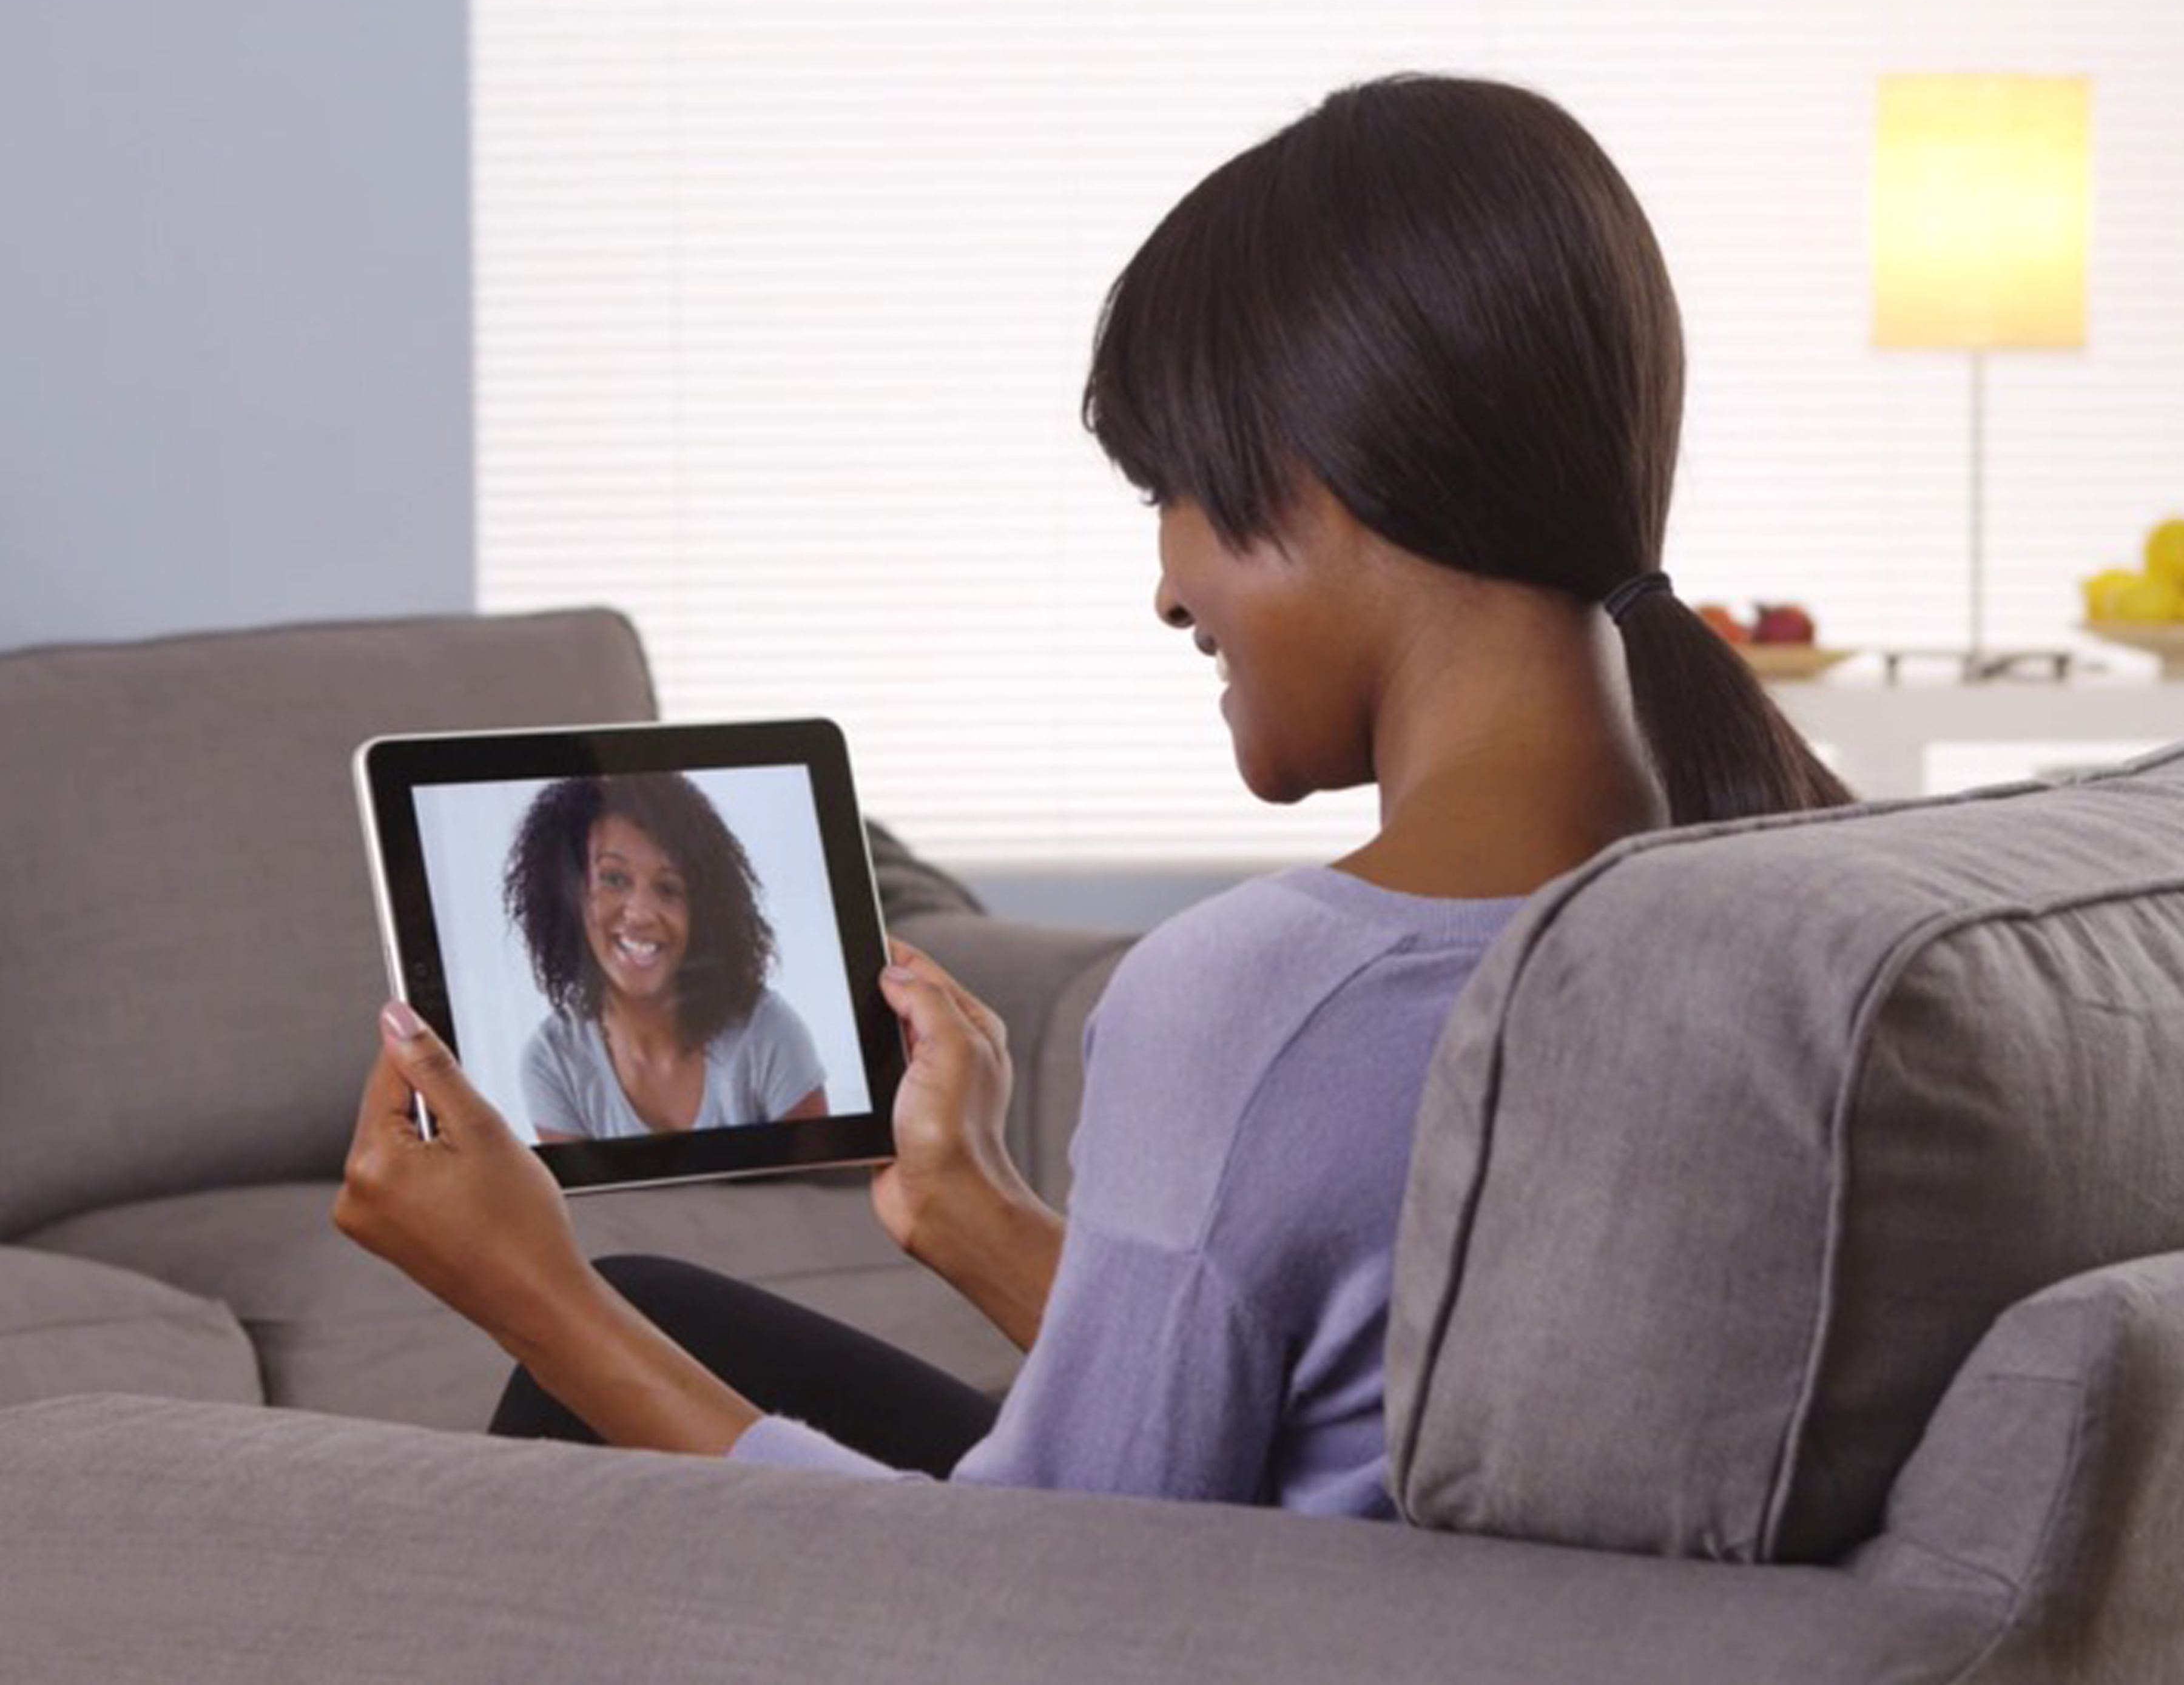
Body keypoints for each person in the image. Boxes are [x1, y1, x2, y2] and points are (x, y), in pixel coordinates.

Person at [334, 75, 1849, 1513]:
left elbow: (1037, 1607)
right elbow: (1374, 1417)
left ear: (1310, 468)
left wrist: (526, 1288)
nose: (1166, 587)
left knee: (590, 1355)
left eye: (1168, 492)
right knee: (667, 1311)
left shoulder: (1267, 1001)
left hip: (1184, 1631)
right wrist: (977, 1218)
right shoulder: (1798, 907)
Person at [502, 772, 827, 1141]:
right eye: (613, 879)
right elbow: (581, 1203)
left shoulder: (769, 1034)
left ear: (703, 912)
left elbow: (818, 1193)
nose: (641, 913)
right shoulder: (553, 1063)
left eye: (668, 888)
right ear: (568, 896)